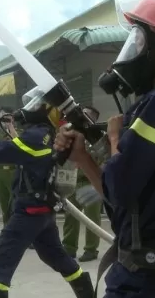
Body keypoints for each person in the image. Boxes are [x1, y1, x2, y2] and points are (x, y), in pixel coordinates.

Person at [54, 0, 155, 298]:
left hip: (141, 281)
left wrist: (115, 135)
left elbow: (119, 188)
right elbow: (128, 199)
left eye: (139, 40)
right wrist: (83, 159)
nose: (133, 49)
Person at [0, 89, 94, 298]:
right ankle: (86, 293)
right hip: (44, 212)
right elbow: (21, 149)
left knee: (0, 266)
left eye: (35, 105)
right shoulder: (49, 135)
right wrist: (10, 126)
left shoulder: (35, 136)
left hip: (28, 212)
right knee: (55, 256)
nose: (28, 109)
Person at [61, 106, 103, 263]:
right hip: (74, 180)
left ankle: (91, 249)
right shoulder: (72, 135)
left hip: (91, 182)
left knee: (92, 218)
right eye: (82, 114)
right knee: (71, 215)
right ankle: (69, 247)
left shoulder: (97, 138)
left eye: (87, 115)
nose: (83, 117)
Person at [0, 106, 18, 225]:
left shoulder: (18, 132)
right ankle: (7, 231)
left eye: (6, 116)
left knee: (16, 205)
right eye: (2, 116)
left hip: (13, 171)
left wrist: (10, 126)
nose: (4, 120)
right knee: (4, 206)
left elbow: (19, 143)